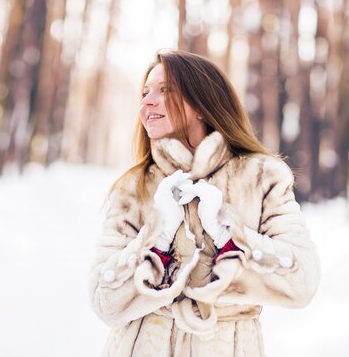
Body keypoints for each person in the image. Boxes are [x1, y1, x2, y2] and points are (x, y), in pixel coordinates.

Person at [89, 50, 321, 357]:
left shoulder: (261, 177)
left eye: (165, 90)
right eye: (145, 93)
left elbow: (302, 281)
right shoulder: (134, 188)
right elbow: (104, 301)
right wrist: (157, 239)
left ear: (201, 104)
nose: (147, 102)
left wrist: (229, 235)